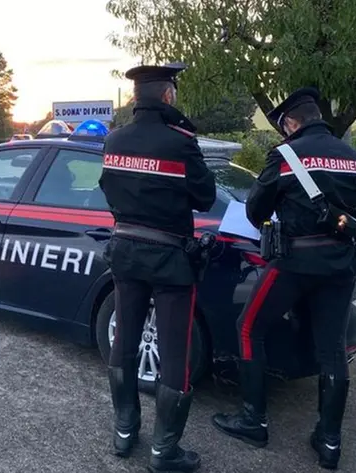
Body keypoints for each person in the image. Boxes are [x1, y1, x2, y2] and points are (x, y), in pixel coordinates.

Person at [211, 87, 356, 471]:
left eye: (285, 128)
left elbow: (255, 209)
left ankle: (253, 420)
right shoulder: (355, 158)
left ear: (292, 123)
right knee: (332, 348)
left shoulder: (286, 156)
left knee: (249, 327)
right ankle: (329, 442)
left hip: (295, 262)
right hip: (341, 264)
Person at [99, 62, 216, 473]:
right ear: (168, 96)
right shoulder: (180, 142)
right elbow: (204, 197)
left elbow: (108, 189)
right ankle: (164, 452)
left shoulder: (114, 140)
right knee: (174, 353)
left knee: (125, 342)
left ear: (135, 98)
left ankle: (124, 431)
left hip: (126, 253)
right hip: (170, 262)